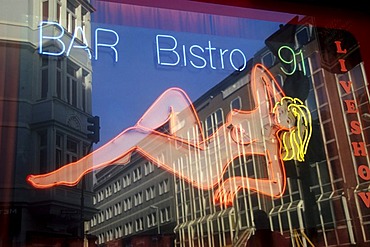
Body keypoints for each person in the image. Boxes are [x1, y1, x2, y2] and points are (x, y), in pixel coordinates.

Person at [27, 64, 312, 207]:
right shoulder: (265, 103)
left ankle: (76, 169)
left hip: (204, 168)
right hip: (198, 146)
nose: (283, 115)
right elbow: (260, 72)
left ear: (288, 127)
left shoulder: (269, 143)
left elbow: (276, 187)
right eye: (287, 110)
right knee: (174, 96)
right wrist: (281, 96)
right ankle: (129, 145)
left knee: (134, 136)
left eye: (289, 119)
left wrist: (238, 181)